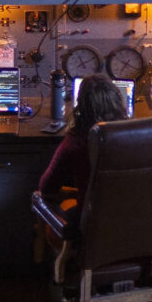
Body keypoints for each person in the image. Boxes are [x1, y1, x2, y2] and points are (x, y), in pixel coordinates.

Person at [38, 73, 129, 214]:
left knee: (38, 198)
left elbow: (46, 188)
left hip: (90, 227)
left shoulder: (75, 142)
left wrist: (75, 194)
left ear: (80, 105)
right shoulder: (136, 137)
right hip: (134, 224)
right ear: (118, 100)